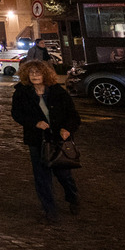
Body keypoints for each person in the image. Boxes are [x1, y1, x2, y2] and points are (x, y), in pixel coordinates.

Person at [10, 60, 80, 223]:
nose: (34, 75)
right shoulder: (21, 92)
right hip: (37, 140)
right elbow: (17, 113)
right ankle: (50, 210)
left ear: (46, 74)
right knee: (41, 176)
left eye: (38, 72)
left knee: (63, 174)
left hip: (59, 139)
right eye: (31, 72)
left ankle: (73, 197)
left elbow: (73, 115)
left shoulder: (58, 92)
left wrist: (67, 129)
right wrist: (35, 123)